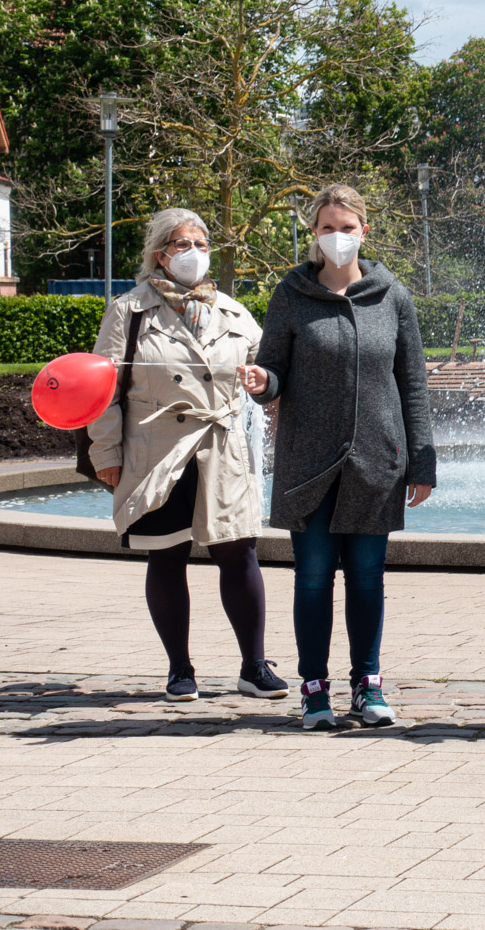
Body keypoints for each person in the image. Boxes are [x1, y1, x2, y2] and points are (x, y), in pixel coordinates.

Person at [241, 184, 436, 731]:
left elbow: (413, 383)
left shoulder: (391, 294)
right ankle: (314, 690)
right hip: (309, 462)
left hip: (376, 460)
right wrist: (262, 382)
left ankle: (367, 685)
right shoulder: (292, 293)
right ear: (315, 235)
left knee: (368, 577)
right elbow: (272, 369)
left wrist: (422, 462)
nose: (338, 237)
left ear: (363, 231)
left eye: (347, 228)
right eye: (328, 228)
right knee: (313, 577)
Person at [88, 208, 286, 702]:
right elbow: (104, 388)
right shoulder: (129, 311)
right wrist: (105, 452)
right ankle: (180, 669)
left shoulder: (234, 312)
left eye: (200, 243)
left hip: (221, 450)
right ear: (160, 253)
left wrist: (265, 385)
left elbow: (270, 379)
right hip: (156, 450)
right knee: (166, 555)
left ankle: (253, 666)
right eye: (181, 244)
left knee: (239, 553)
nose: (193, 253)